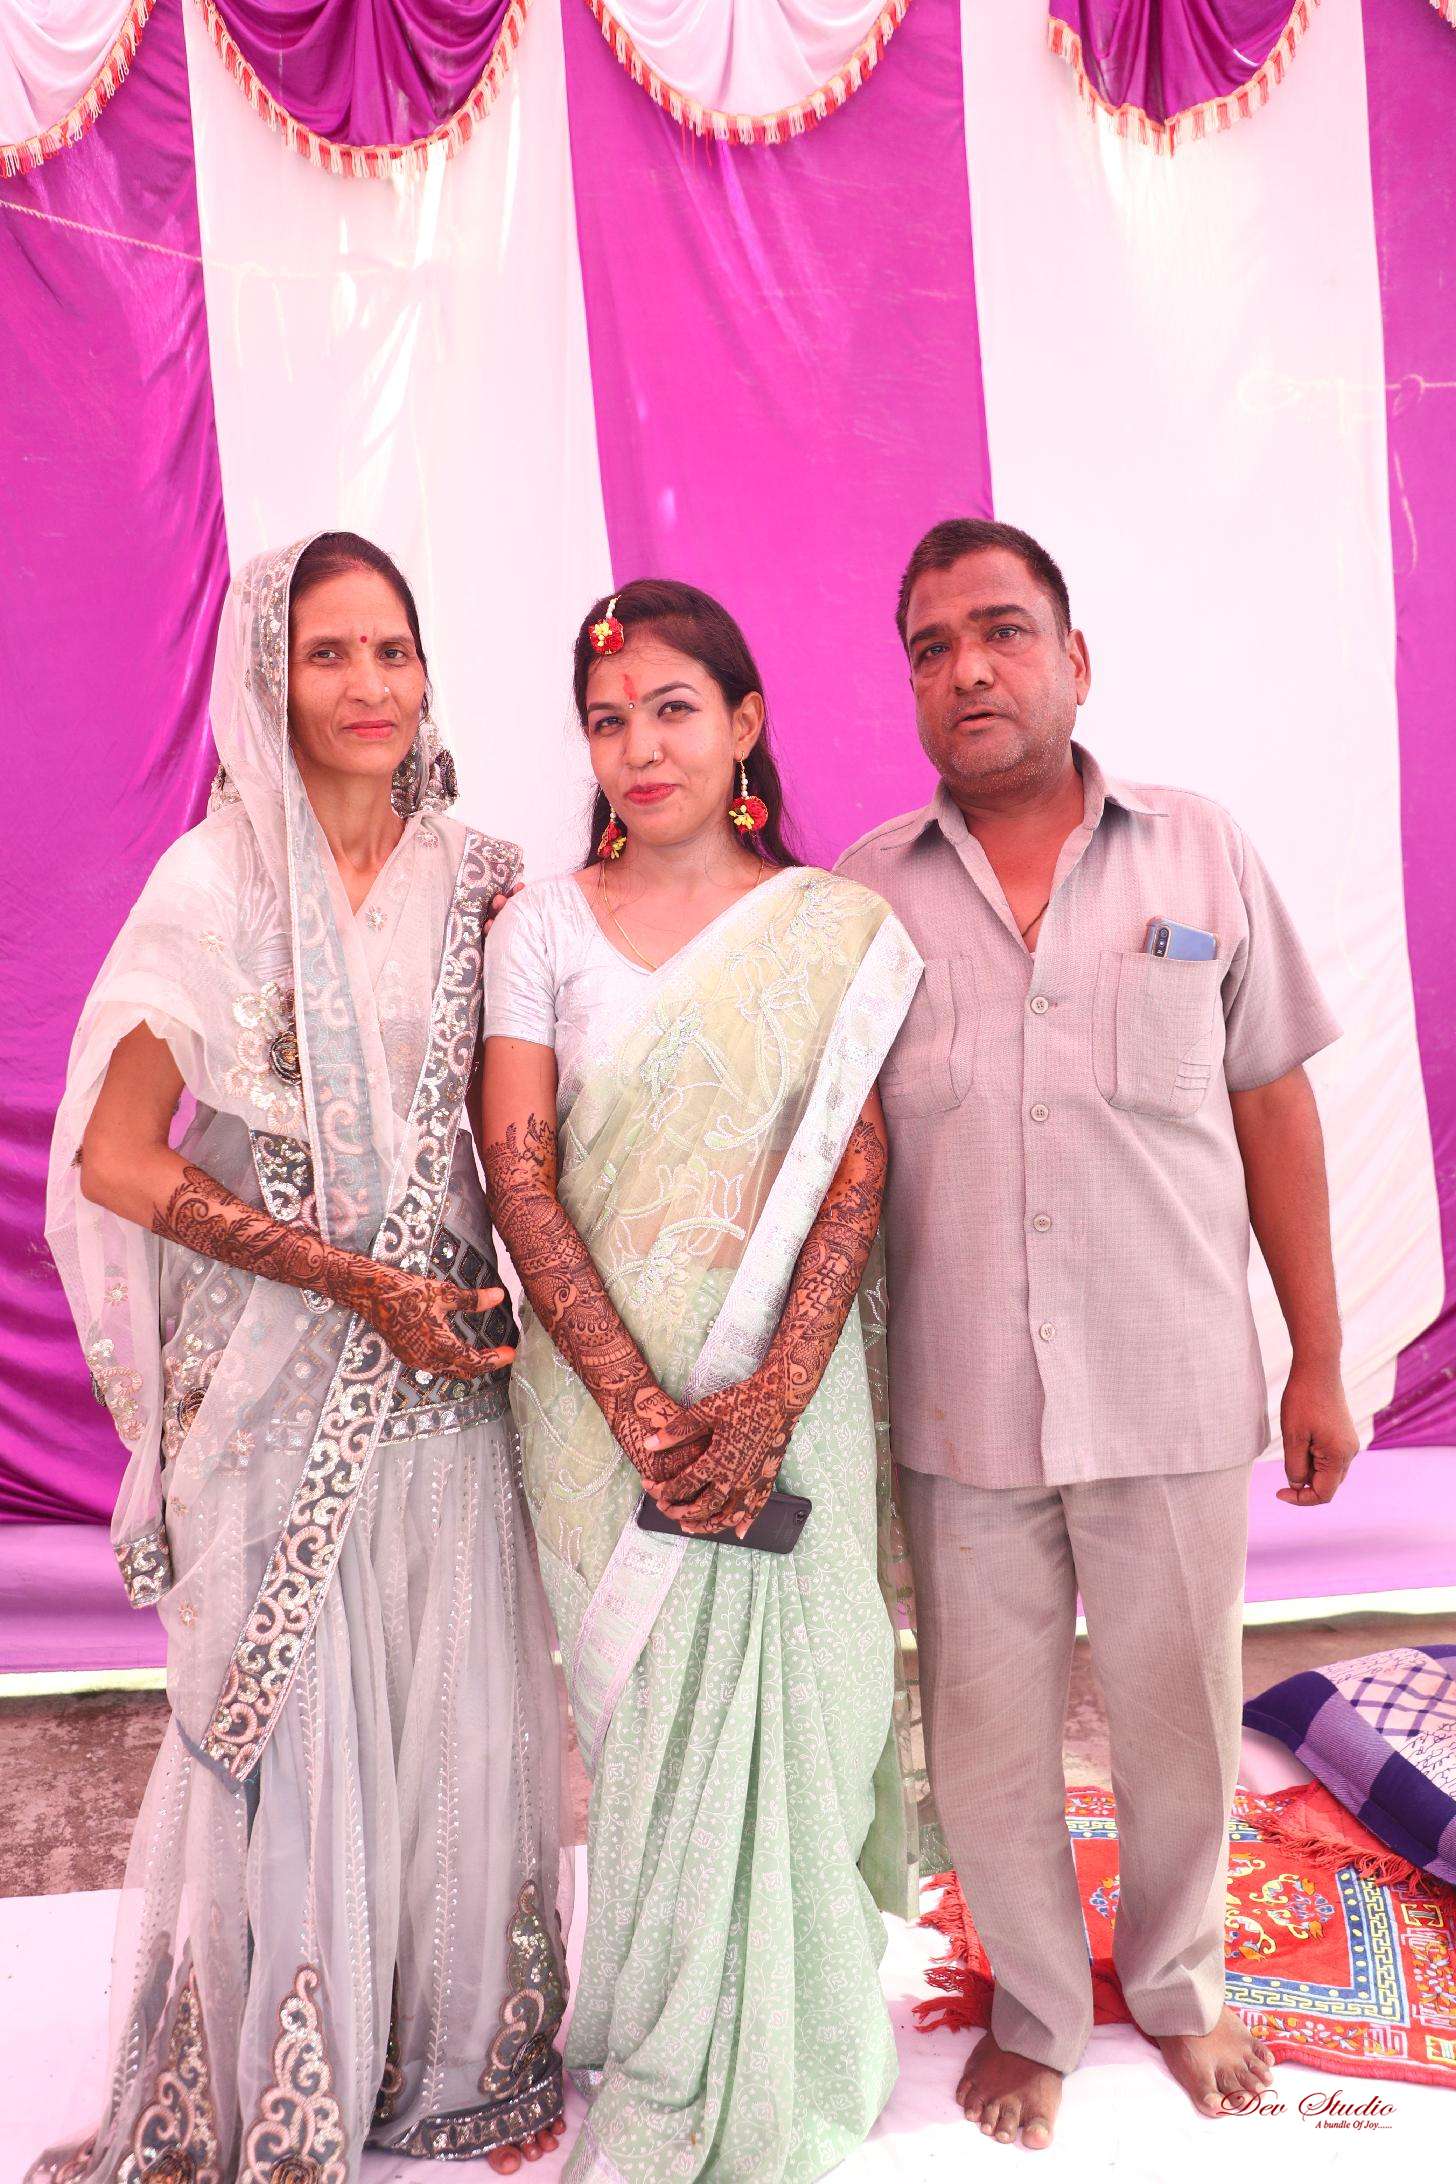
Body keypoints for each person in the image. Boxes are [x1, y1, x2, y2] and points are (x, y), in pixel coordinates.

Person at [32, 534, 567, 2181]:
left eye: (392, 650)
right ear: (263, 679)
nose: (366, 685)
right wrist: (351, 1284)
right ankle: (285, 2075)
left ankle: (450, 2057)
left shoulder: (484, 879)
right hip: (276, 1386)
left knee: (451, 1708)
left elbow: (527, 1131)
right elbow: (117, 1159)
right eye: (326, 653)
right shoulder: (215, 888)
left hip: (450, 1378)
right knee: (303, 1719)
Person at [837, 518, 1359, 2152]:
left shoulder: (1200, 854)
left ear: (1075, 659)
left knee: (1181, 1720)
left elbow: (1274, 1105)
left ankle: (1183, 1982)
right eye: (932, 647)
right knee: (985, 1744)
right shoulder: (861, 895)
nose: (968, 669)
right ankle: (1037, 2010)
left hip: (1173, 1382)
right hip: (962, 1409)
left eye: (1002, 631)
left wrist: (1319, 1356)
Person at [478, 579, 925, 2183]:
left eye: (674, 710)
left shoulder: (831, 928)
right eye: (609, 721)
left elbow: (855, 1172)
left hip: (787, 1404)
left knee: (791, 1720)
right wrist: (647, 1414)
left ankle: (794, 2042)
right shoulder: (538, 926)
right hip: (601, 1420)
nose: (641, 748)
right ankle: (668, 2033)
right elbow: (522, 1178)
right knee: (651, 1721)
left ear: (744, 724)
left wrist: (770, 1401)